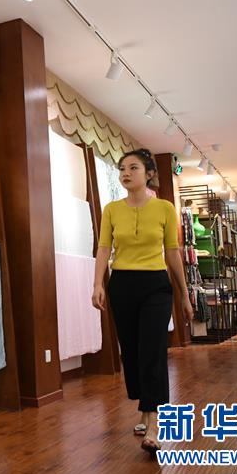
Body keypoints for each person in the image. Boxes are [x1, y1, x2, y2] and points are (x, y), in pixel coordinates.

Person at [90, 148, 194, 457]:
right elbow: (104, 248)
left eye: (133, 168)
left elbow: (172, 252)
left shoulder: (164, 208)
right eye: (122, 168)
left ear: (148, 174)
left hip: (155, 286)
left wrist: (184, 294)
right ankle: (145, 406)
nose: (125, 173)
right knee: (132, 351)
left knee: (152, 349)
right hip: (122, 284)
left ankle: (153, 422)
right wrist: (98, 283)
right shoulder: (111, 209)